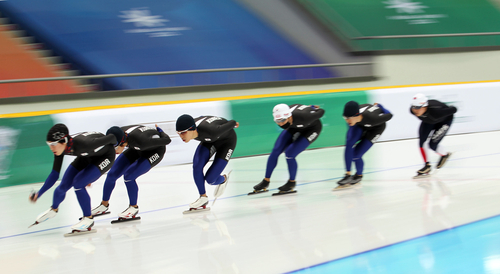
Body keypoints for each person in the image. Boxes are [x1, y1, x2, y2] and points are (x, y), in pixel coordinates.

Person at [29, 124, 118, 233]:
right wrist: (39, 193)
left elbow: (112, 137)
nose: (51, 148)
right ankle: (54, 209)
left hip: (105, 156)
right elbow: (54, 174)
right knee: (63, 186)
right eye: (49, 144)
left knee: (79, 183)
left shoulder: (84, 144)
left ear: (64, 141)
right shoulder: (60, 148)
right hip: (86, 156)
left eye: (53, 144)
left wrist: (118, 146)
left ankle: (88, 218)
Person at [90, 124, 172, 221]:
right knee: (112, 174)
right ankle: (104, 205)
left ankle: (133, 207)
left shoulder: (142, 141)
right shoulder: (119, 133)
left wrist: (161, 131)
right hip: (135, 147)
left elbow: (167, 140)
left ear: (123, 143)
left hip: (155, 150)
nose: (114, 150)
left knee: (129, 176)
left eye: (116, 147)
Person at [251, 103, 324, 195]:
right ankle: (266, 181)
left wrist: (313, 108)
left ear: (289, 116)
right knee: (276, 151)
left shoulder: (304, 116)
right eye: (277, 121)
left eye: (282, 120)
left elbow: (321, 112)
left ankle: (291, 182)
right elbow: (295, 107)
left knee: (290, 154)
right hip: (293, 126)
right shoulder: (285, 113)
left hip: (312, 129)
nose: (280, 123)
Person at [176, 114, 238, 211]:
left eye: (183, 133)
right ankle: (203, 198)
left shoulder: (211, 130)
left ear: (192, 129)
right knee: (197, 166)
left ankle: (223, 179)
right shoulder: (194, 128)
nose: (181, 136)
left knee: (210, 179)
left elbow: (232, 122)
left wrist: (234, 124)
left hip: (227, 142)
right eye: (178, 133)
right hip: (209, 140)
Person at [336, 101, 393, 190]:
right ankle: (348, 175)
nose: (347, 121)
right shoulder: (351, 120)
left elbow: (389, 115)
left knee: (356, 155)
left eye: (348, 118)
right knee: (349, 144)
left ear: (356, 115)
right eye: (345, 118)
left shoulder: (373, 118)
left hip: (376, 128)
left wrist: (381, 107)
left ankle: (359, 175)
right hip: (360, 125)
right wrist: (348, 173)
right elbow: (348, 147)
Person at [410, 93, 456, 178]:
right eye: (413, 107)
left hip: (444, 121)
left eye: (417, 108)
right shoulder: (413, 110)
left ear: (425, 106)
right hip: (429, 121)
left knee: (432, 145)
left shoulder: (436, 111)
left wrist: (451, 107)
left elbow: (454, 109)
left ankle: (445, 155)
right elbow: (416, 109)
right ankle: (427, 166)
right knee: (422, 141)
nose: (415, 110)